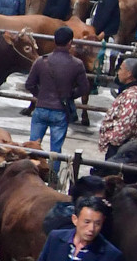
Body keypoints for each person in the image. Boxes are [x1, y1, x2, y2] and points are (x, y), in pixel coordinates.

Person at [24, 25, 91, 160]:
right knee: (56, 151)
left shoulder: (41, 61)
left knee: (33, 146)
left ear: (54, 41)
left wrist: (40, 95)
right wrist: (70, 95)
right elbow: (84, 88)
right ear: (70, 43)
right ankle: (53, 177)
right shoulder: (77, 64)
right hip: (60, 110)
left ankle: (31, 171)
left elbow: (29, 84)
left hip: (41, 107)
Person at [97, 58, 137, 154]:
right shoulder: (136, 91)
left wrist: (111, 139)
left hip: (121, 147)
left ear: (129, 74)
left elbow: (127, 124)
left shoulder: (132, 96)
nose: (118, 72)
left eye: (121, 69)